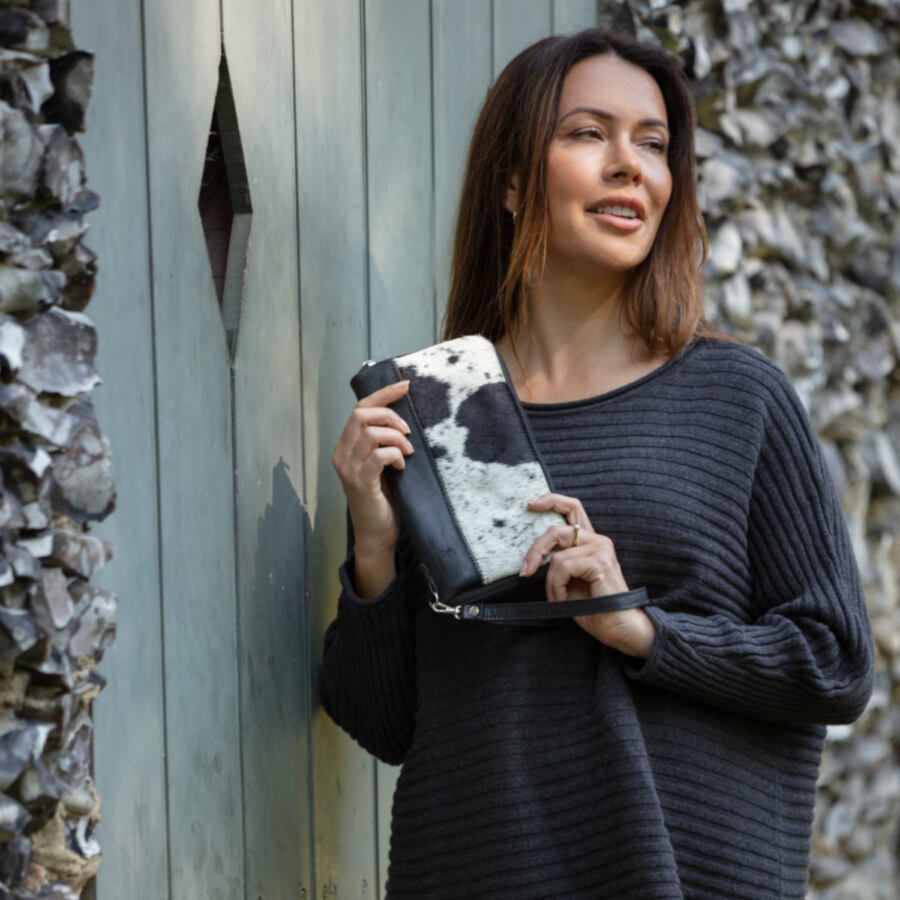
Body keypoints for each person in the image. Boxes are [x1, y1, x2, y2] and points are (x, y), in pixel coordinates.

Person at [321, 27, 876, 900]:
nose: (631, 167)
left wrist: (638, 627)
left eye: (652, 145)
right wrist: (374, 543)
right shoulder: (434, 410)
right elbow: (383, 723)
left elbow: (835, 661)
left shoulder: (738, 397)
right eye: (588, 134)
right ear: (511, 180)